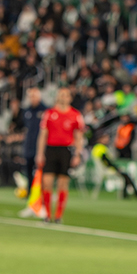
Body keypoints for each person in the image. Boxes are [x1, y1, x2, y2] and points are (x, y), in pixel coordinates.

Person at [35, 87, 84, 224]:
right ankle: (47, 215)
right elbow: (43, 135)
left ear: (70, 98)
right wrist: (40, 153)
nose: (63, 97)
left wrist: (77, 154)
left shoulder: (75, 115)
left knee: (63, 183)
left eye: (65, 95)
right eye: (60, 94)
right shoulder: (49, 113)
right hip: (51, 149)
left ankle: (58, 216)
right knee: (47, 182)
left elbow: (78, 136)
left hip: (66, 150)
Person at [91, 133, 137, 198]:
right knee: (125, 175)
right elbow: (106, 161)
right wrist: (116, 168)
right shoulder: (101, 148)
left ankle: (128, 194)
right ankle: (131, 194)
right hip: (107, 170)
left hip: (104, 169)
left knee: (125, 175)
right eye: (105, 138)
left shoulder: (96, 148)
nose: (107, 139)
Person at [18, 87, 46, 178]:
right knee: (28, 168)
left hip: (41, 144)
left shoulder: (45, 111)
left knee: (41, 169)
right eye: (31, 96)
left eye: (34, 96)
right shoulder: (26, 111)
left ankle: (41, 190)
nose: (32, 98)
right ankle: (29, 189)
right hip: (29, 143)